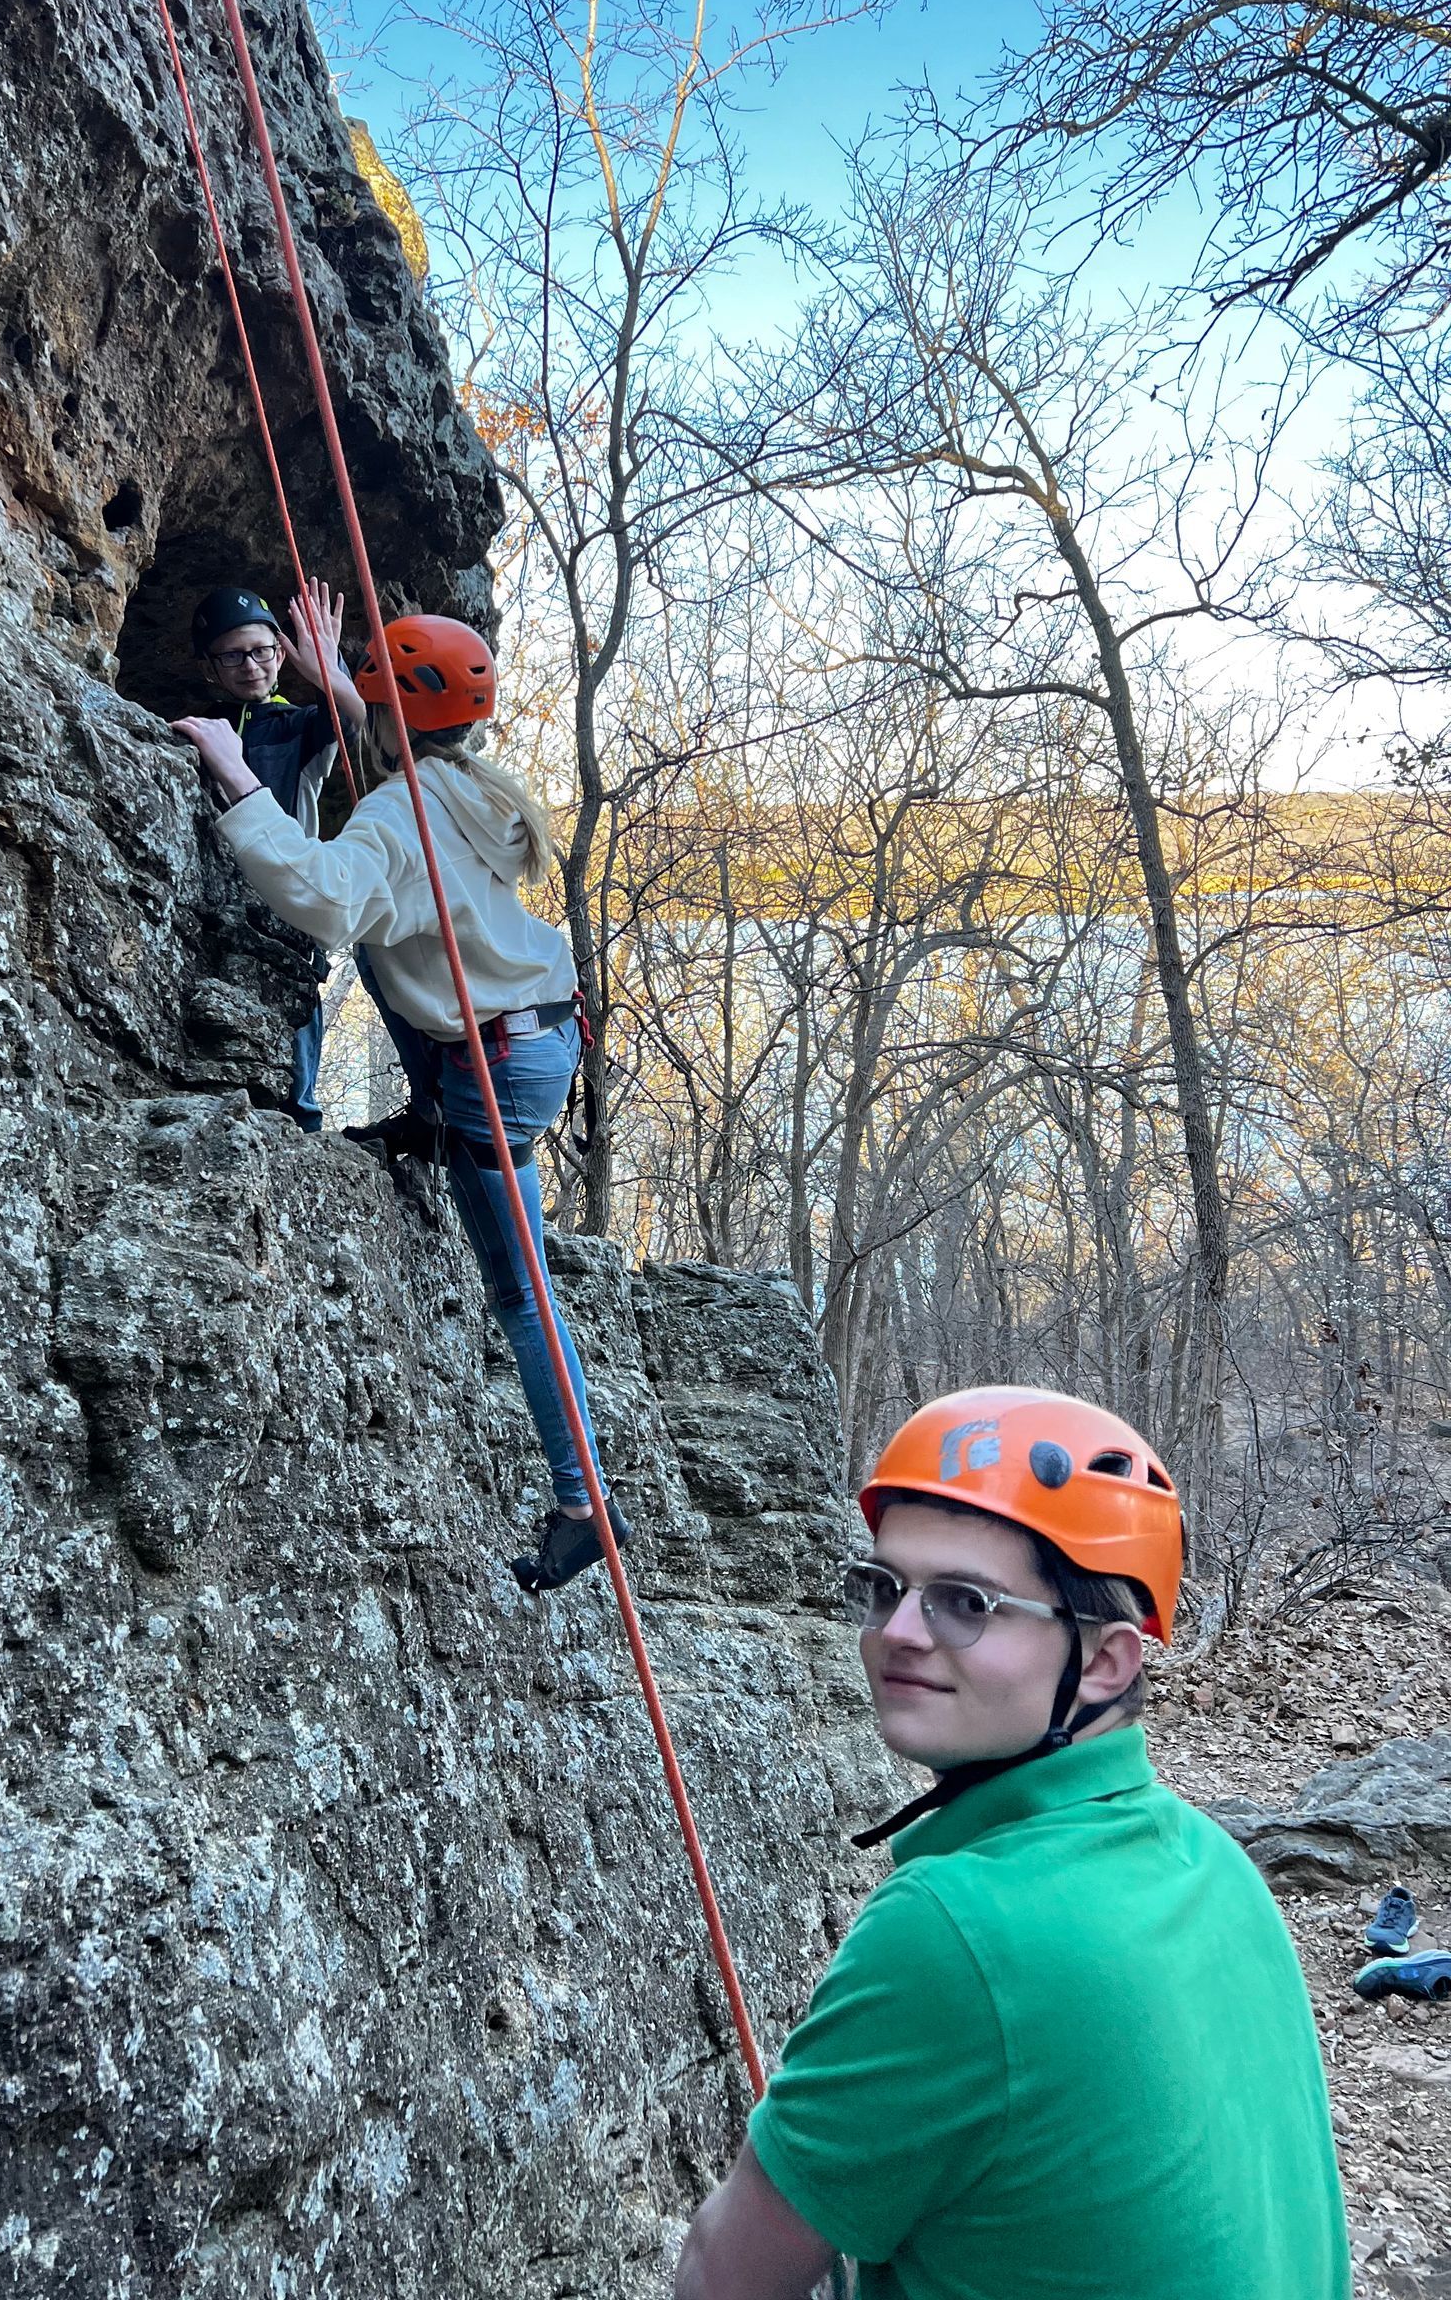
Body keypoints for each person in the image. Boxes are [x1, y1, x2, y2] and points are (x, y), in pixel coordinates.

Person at [675, 1385, 1349, 2300]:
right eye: (884, 1587)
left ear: (1106, 1660)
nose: (897, 1634)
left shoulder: (953, 1931)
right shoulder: (1214, 1864)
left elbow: (721, 2281)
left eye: (966, 1602)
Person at [172, 613, 627, 1594]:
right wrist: (341, 684)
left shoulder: (400, 817)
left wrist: (233, 771)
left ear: (386, 713)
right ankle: (435, 1122)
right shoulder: (472, 789)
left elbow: (328, 894)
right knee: (396, 951)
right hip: (538, 1035)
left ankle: (585, 1502)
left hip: (491, 1070)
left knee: (522, 1291)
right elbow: (392, 811)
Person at [189, 580, 364, 1132]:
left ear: (280, 653)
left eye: (263, 650)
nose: (251, 665)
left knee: (296, 1005)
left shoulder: (300, 726)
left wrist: (327, 673)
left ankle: (302, 1118)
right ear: (209, 666)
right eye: (233, 655)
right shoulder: (199, 728)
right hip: (211, 893)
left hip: (283, 895)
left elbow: (361, 725)